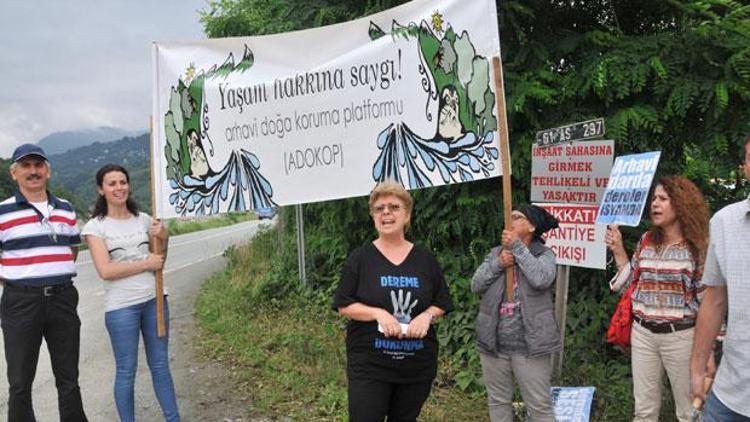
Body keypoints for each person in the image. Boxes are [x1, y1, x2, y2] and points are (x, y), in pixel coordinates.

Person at [332, 180, 453, 422]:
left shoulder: (425, 259)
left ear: (407, 215)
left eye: (394, 207)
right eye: (379, 208)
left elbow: (442, 301)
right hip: (370, 366)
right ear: (373, 217)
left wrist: (427, 315)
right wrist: (379, 314)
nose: (386, 212)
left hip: (416, 367)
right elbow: (343, 304)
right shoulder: (360, 258)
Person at [81, 164, 180, 422]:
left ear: (129, 185)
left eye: (123, 182)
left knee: (160, 365)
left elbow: (160, 263)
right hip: (121, 308)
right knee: (126, 370)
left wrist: (164, 239)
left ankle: (174, 419)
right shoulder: (95, 227)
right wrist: (145, 263)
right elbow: (105, 270)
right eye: (112, 183)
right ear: (100, 189)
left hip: (155, 301)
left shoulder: (145, 219)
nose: (119, 188)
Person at [606, 175, 709, 422]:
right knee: (644, 412)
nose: (655, 204)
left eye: (663, 199)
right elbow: (631, 286)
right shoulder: (646, 241)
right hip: (643, 335)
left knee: (689, 412)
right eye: (654, 199)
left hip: (681, 338)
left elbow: (708, 302)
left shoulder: (697, 247)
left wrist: (709, 348)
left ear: (681, 203)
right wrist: (619, 249)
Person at [0, 144, 88, 421]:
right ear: (14, 173)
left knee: (68, 377)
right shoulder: (2, 212)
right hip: (21, 302)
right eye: (26, 166)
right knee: (20, 382)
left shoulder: (66, 208)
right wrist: (20, 281)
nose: (33, 171)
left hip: (62, 298)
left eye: (38, 165)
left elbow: (71, 249)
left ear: (47, 171)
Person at [472, 204, 561, 422]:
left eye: (517, 217)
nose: (509, 220)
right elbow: (475, 285)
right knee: (498, 402)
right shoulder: (497, 253)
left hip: (531, 347)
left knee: (539, 407)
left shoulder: (544, 254)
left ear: (531, 226)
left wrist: (518, 249)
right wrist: (498, 263)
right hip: (494, 344)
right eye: (509, 216)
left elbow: (541, 278)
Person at [689, 137, 750, 421]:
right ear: (745, 168)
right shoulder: (724, 223)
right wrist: (698, 366)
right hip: (729, 395)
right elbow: (713, 300)